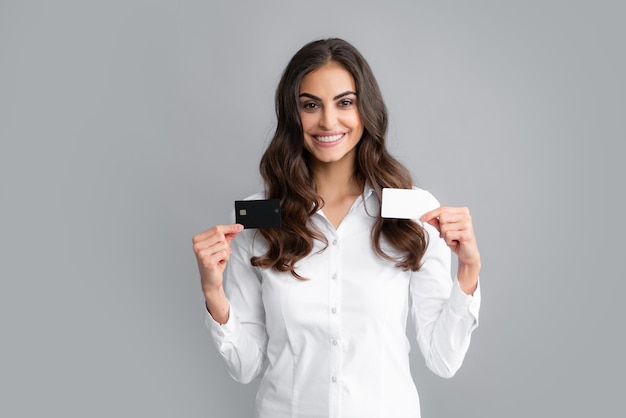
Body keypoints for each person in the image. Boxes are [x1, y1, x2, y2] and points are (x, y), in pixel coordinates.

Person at [192, 38, 481, 418]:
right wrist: (214, 293)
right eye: (311, 105)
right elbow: (245, 367)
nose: (328, 121)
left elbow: (444, 359)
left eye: (345, 102)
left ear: (367, 108)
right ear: (293, 115)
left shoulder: (415, 212)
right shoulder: (260, 217)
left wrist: (468, 271)